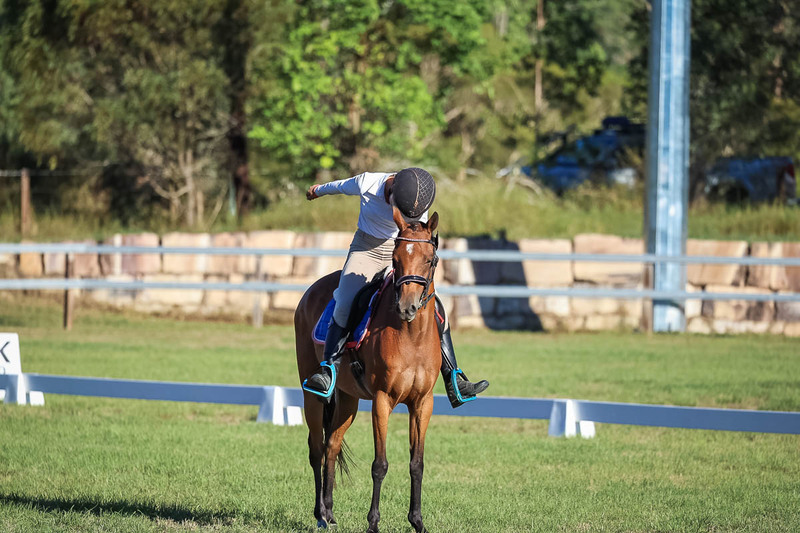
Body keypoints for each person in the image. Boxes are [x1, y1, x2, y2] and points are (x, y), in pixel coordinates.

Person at [302, 167, 489, 408]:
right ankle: (329, 370)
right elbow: (338, 186)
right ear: (390, 194)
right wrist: (318, 190)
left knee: (435, 306)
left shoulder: (418, 197)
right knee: (345, 300)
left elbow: (419, 234)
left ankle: (454, 378)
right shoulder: (367, 182)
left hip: (403, 249)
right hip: (366, 250)